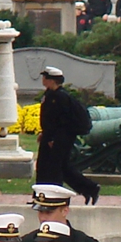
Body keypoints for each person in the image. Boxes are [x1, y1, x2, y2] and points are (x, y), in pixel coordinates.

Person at [35, 67, 99, 204]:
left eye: (45, 77)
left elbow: (60, 120)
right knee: (58, 167)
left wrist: (52, 138)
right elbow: (49, 119)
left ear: (51, 80)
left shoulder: (60, 97)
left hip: (59, 138)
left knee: (53, 169)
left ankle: (51, 198)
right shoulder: (50, 95)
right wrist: (44, 133)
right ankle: (89, 189)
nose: (43, 80)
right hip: (52, 136)